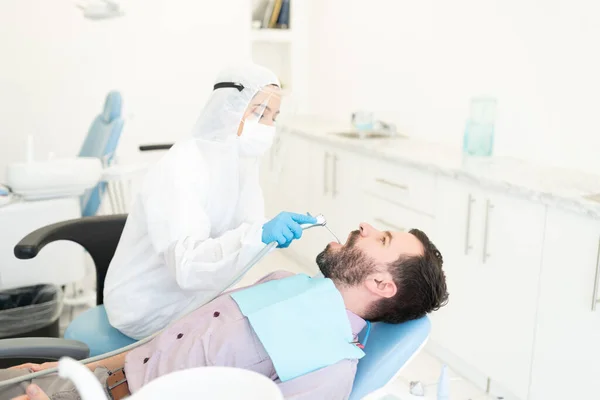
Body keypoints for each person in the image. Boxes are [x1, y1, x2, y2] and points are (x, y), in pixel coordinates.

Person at [1, 222, 448, 400]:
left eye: (382, 240)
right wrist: (82, 369)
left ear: (381, 285)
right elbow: (168, 346)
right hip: (90, 381)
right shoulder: (284, 284)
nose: (365, 227)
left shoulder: (328, 367)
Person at [103, 62, 316, 339]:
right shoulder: (183, 166)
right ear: (229, 109)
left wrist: (264, 235)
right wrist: (258, 237)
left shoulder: (240, 164)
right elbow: (187, 266)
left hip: (192, 298)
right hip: (146, 308)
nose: (268, 126)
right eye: (260, 113)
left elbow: (245, 230)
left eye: (273, 117)